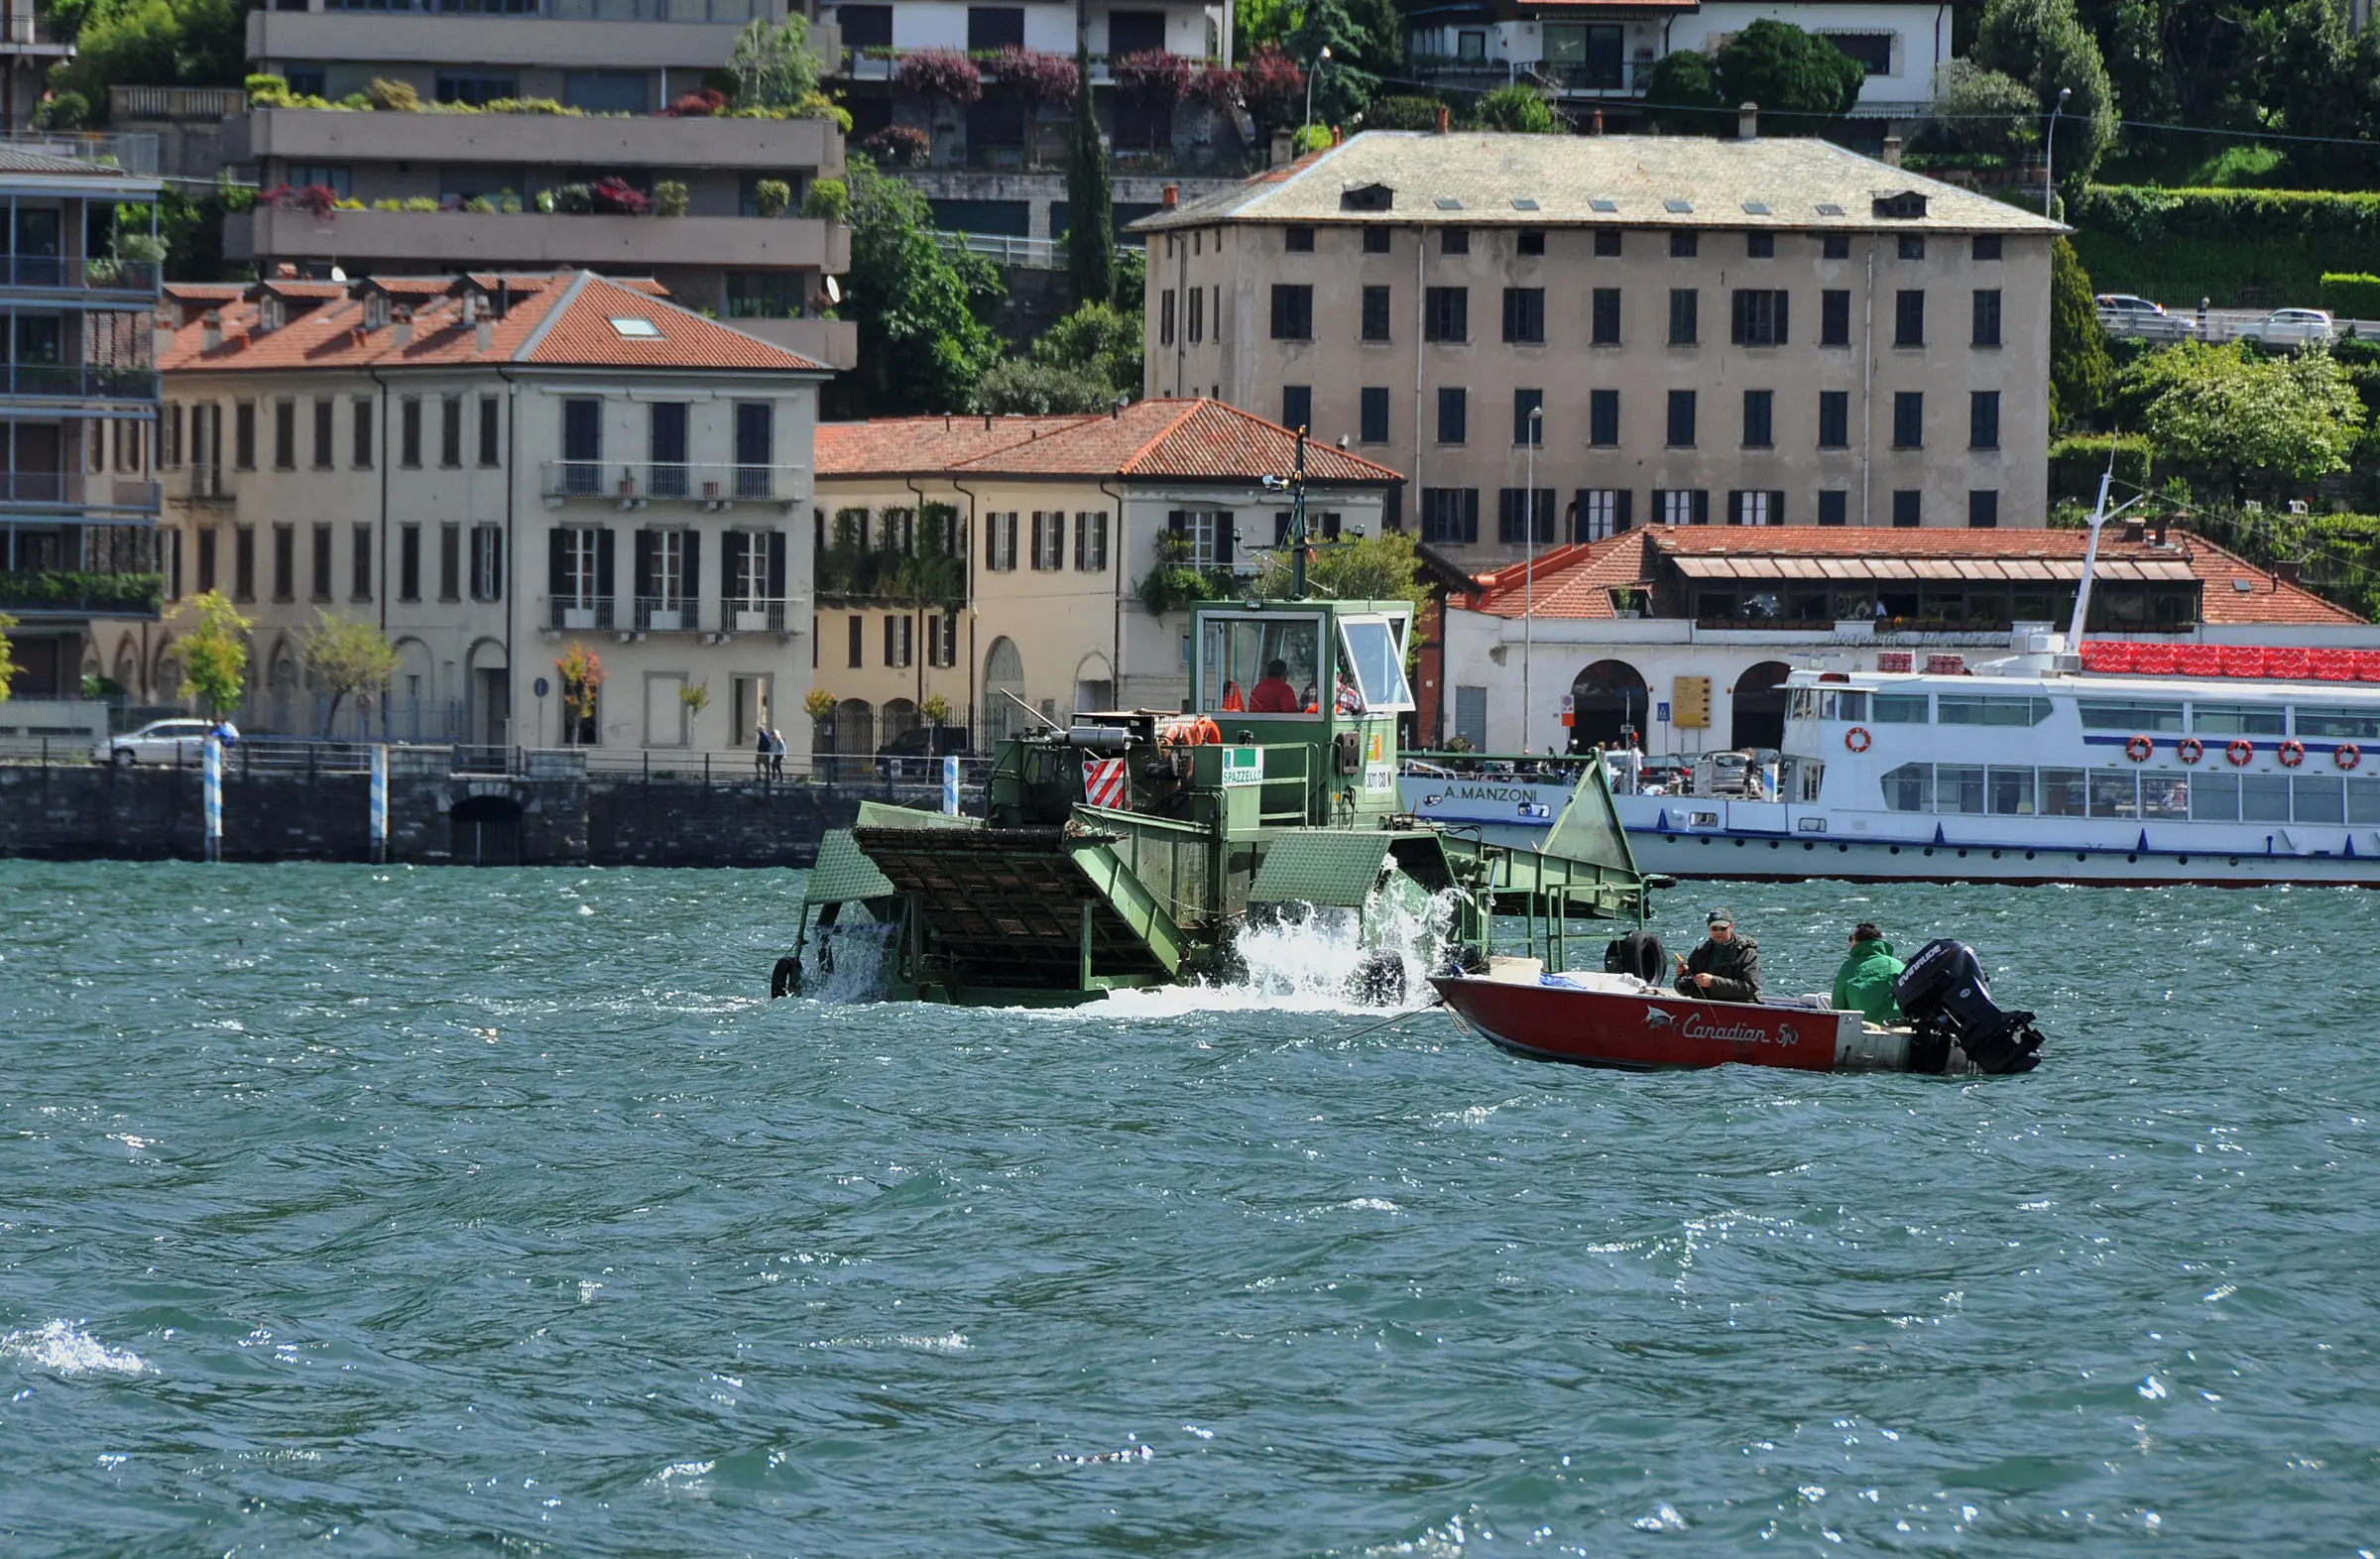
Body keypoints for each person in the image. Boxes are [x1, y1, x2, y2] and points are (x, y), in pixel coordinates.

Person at [1674, 907, 1761, 1002]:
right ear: (1709, 929)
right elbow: (1686, 990)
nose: (1718, 932)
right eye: (1714, 928)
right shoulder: (1700, 952)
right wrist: (1681, 977)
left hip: (1741, 1007)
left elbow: (1749, 987)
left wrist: (1713, 982)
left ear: (1731, 926)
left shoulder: (1747, 953)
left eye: (1722, 928)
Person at [1833, 920, 1906, 1025]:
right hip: (1894, 1024)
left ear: (1857, 942)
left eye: (1850, 939)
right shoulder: (1896, 964)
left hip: (1862, 1025)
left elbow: (1838, 1004)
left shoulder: (1849, 967)